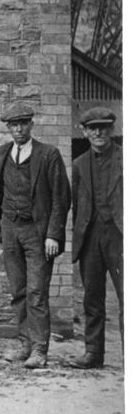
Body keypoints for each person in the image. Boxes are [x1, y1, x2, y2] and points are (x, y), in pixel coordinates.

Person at [0, 104, 70, 369]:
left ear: (31, 125)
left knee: (37, 292)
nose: (19, 129)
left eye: (23, 123)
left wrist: (53, 235)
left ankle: (39, 349)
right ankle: (24, 344)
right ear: (8, 128)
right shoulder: (3, 153)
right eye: (14, 125)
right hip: (11, 230)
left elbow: (61, 198)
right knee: (18, 291)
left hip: (38, 233)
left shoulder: (48, 155)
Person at [69, 107, 122, 369]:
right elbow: (77, 205)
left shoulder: (127, 159)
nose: (98, 133)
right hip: (90, 237)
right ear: (85, 131)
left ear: (112, 129)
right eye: (93, 128)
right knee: (92, 296)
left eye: (103, 127)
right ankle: (93, 352)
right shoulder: (79, 165)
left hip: (121, 236)